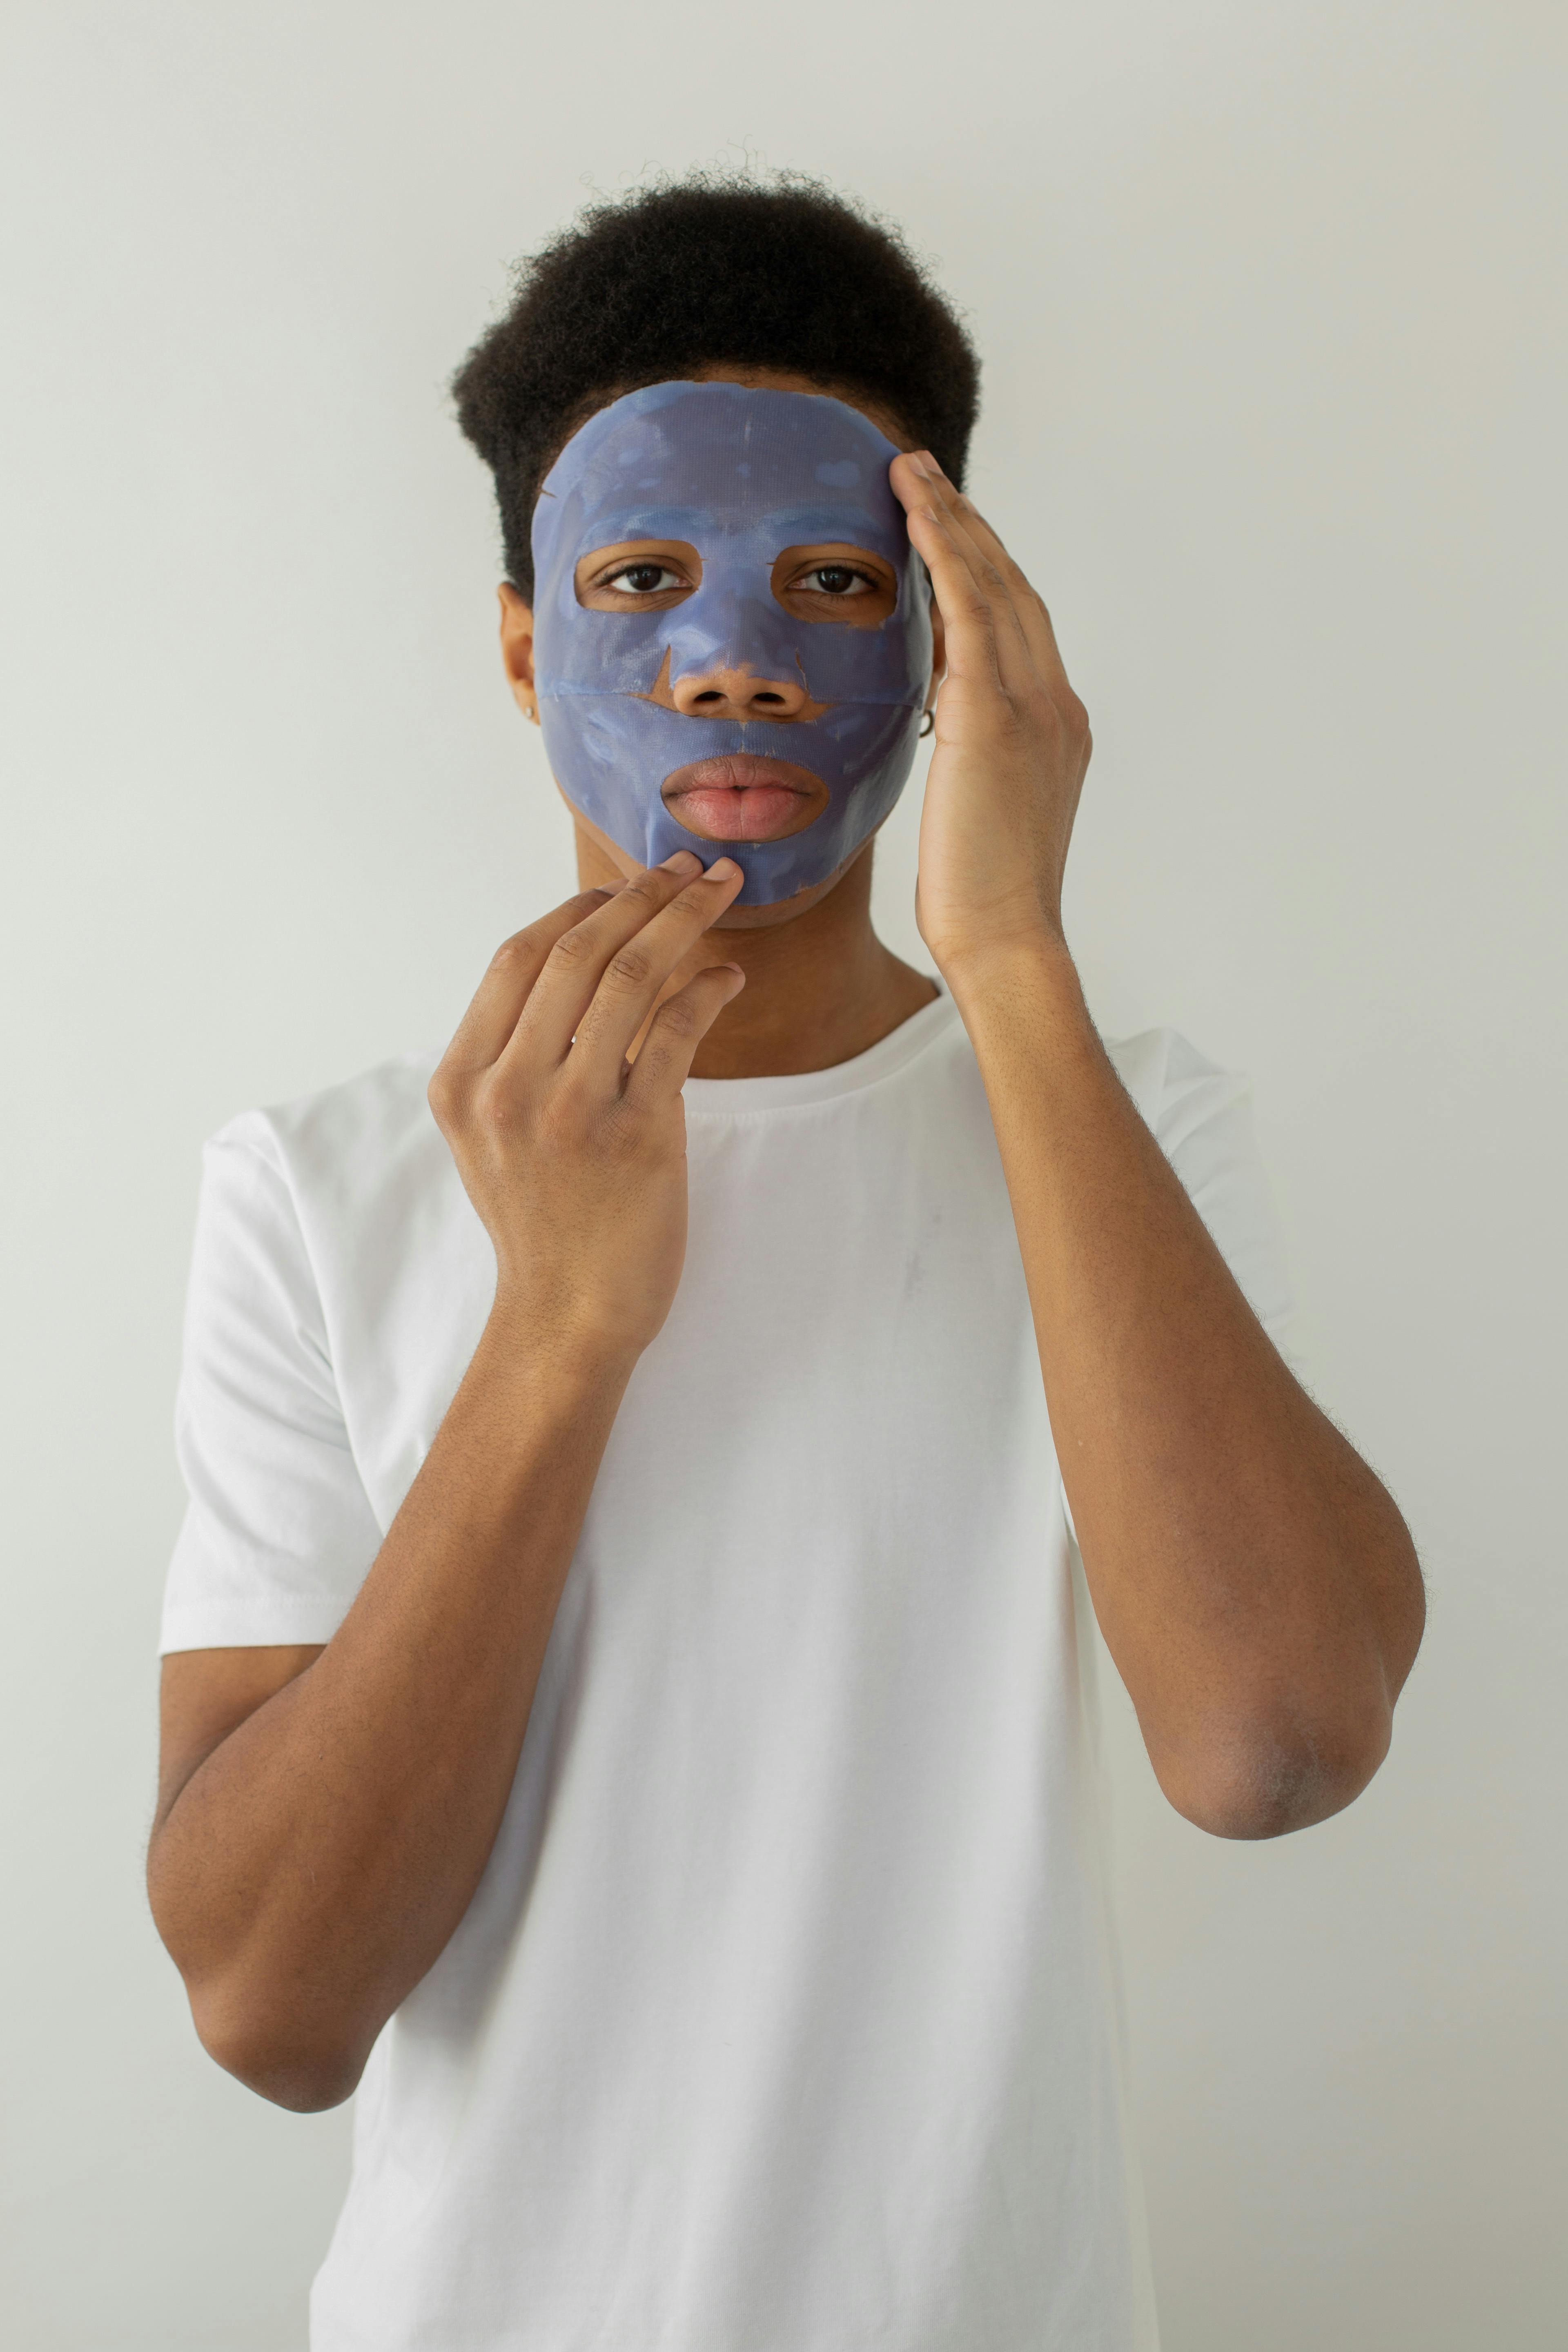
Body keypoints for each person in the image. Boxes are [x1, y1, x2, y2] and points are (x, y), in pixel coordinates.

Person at [147, 177, 1425, 2351]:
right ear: (528, 640)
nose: (733, 650)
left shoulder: (1124, 1138)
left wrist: (1008, 954)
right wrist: (557, 1332)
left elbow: (1273, 1740)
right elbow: (272, 2005)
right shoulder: (318, 1185)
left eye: (832, 583)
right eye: (641, 576)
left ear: (943, 645)